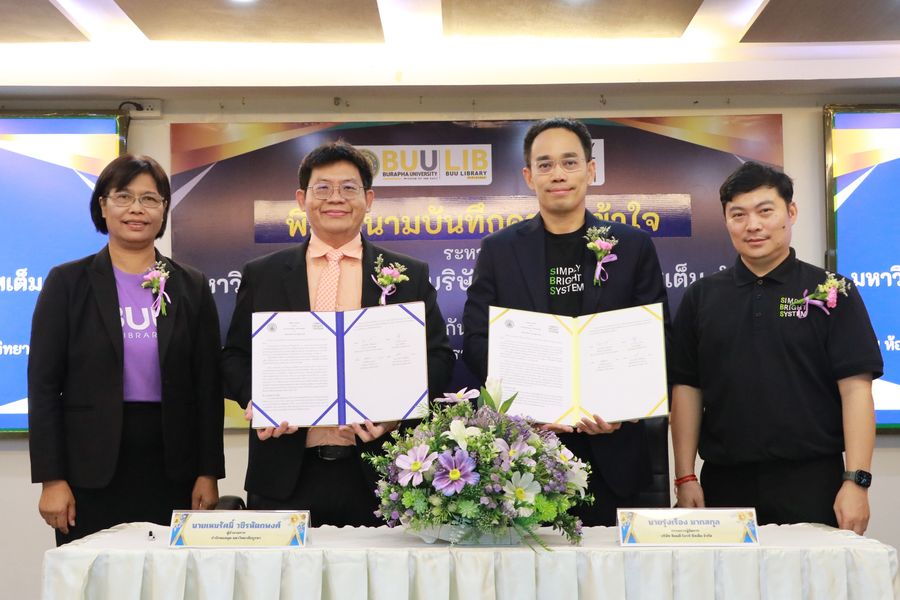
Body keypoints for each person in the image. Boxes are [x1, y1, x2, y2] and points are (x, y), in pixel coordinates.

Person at [222, 141, 454, 526]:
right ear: (302, 199)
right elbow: (234, 356)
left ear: (369, 199)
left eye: (348, 188)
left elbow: (439, 358)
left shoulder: (408, 274)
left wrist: (399, 411)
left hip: (379, 473)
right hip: (283, 471)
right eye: (323, 188)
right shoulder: (263, 274)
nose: (336, 198)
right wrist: (260, 400)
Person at [462, 118, 669, 525]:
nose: (558, 174)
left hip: (614, 453)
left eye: (569, 162)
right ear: (529, 176)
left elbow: (656, 338)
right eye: (545, 164)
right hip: (525, 458)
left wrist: (622, 407)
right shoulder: (499, 250)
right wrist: (525, 411)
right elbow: (477, 340)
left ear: (590, 170)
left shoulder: (632, 246)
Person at [669, 161, 882, 534]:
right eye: (738, 214)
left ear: (791, 212)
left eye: (765, 211)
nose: (752, 225)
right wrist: (685, 476)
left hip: (813, 482)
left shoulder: (833, 290)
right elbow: (687, 389)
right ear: (726, 221)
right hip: (724, 483)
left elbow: (856, 391)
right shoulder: (701, 297)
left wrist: (857, 481)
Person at [28, 154, 225, 546]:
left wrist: (208, 473)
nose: (137, 208)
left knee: (167, 576)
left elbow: (207, 386)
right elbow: (44, 386)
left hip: (173, 468)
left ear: (164, 209)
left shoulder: (191, 285)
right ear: (103, 206)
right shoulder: (68, 283)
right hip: (89, 470)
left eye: (150, 199)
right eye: (123, 196)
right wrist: (52, 479)